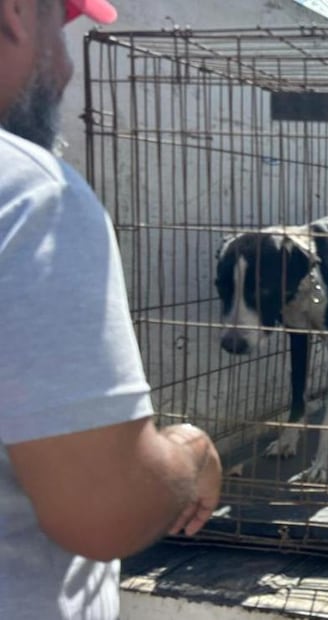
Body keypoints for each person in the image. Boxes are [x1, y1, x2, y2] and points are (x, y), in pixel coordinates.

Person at [0, 1, 223, 617]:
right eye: (62, 29)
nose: (68, 67)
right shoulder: (30, 193)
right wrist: (193, 449)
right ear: (18, 12)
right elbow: (104, 512)